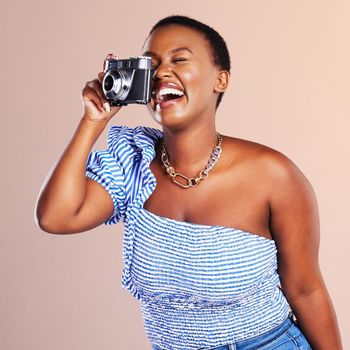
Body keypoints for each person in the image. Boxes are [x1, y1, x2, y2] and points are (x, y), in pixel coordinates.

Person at [35, 15, 343, 350]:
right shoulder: (133, 166)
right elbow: (56, 216)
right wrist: (92, 121)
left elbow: (306, 290)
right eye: (150, 66)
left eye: (179, 59)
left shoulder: (273, 175)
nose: (162, 73)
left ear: (220, 79)